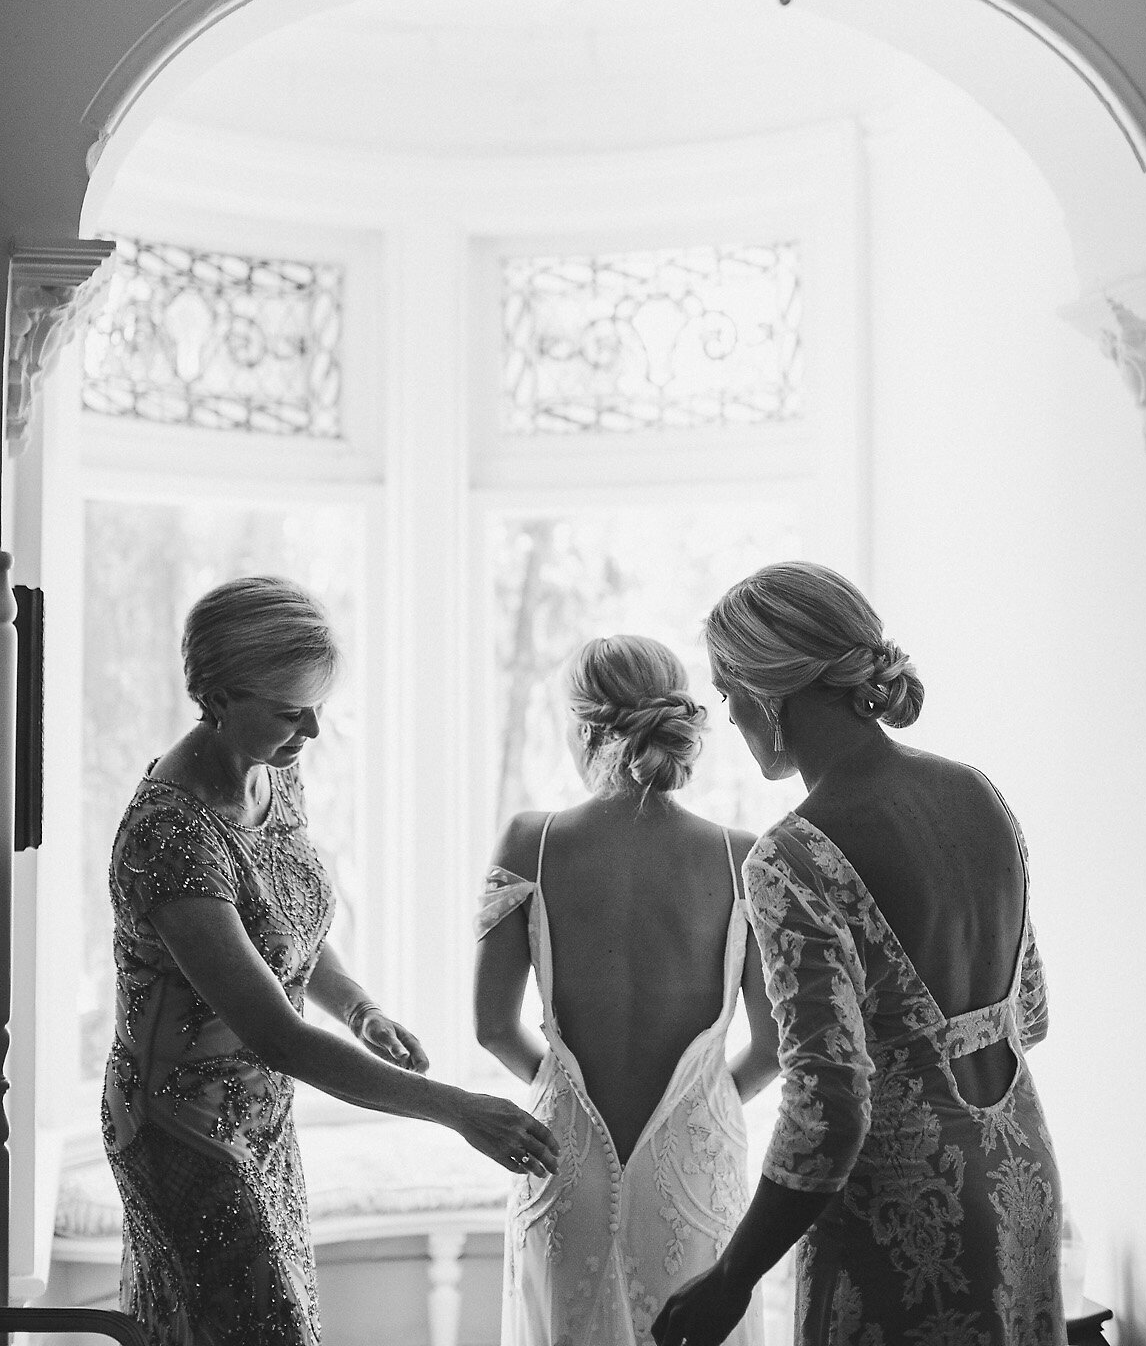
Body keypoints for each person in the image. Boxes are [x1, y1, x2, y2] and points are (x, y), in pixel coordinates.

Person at [104, 575, 557, 1346]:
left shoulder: (275, 768)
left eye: (317, 706)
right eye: (290, 711)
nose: (311, 729)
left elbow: (287, 930)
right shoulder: (170, 835)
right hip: (181, 1129)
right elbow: (275, 1033)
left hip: (262, 1116)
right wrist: (460, 1109)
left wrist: (360, 1010)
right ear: (214, 695)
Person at [654, 562, 1065, 1346]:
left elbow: (829, 1110)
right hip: (1023, 1188)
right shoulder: (979, 793)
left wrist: (732, 1277)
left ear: (771, 689)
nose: (727, 712)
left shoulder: (792, 858)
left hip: (908, 1225)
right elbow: (1031, 1016)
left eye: (727, 687)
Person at [474, 633, 780, 1346]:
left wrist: (560, 1084)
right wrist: (698, 1101)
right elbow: (773, 1047)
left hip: (564, 1157)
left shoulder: (530, 841)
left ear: (584, 729)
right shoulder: (745, 857)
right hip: (698, 1167)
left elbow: (492, 1027)